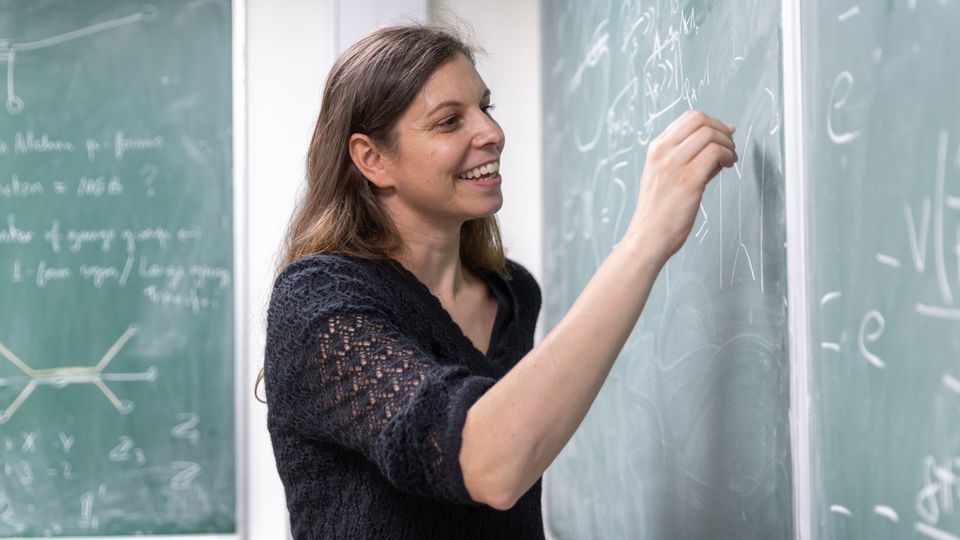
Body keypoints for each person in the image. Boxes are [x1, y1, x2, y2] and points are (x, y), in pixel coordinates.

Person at [261, 24, 736, 540]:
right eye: (449, 122)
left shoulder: (512, 294)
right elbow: (489, 464)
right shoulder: (316, 302)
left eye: (485, 107)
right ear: (372, 159)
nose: (491, 133)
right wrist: (645, 242)